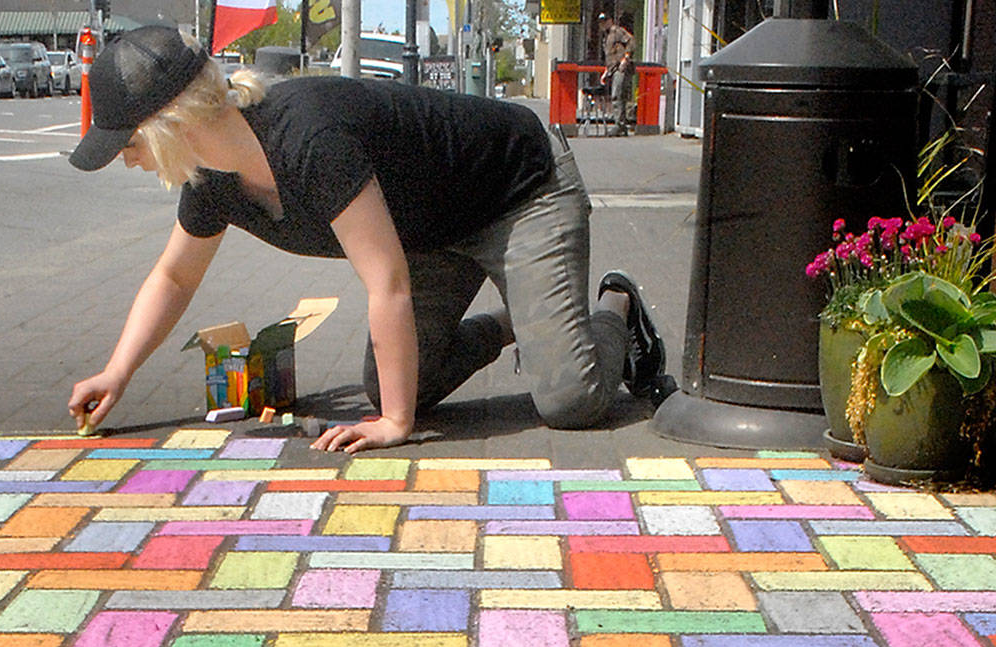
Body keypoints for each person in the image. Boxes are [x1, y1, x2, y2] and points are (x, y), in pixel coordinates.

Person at [67, 26, 667, 454]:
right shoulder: (211, 180)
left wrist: (397, 426)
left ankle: (612, 309)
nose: (126, 159)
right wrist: (117, 372)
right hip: (431, 231)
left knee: (570, 402)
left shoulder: (309, 139)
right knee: (395, 386)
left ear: (171, 125)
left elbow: (387, 282)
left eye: (128, 143)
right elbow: (175, 276)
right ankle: (524, 319)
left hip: (520, 189)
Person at [598, 12, 636, 136]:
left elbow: (631, 41)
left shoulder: (617, 31)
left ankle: (619, 125)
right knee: (619, 96)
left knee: (617, 95)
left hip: (621, 68)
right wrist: (606, 71)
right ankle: (621, 125)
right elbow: (610, 56)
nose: (602, 24)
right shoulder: (606, 36)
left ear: (610, 21)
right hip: (613, 69)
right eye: (601, 22)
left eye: (605, 21)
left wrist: (626, 59)